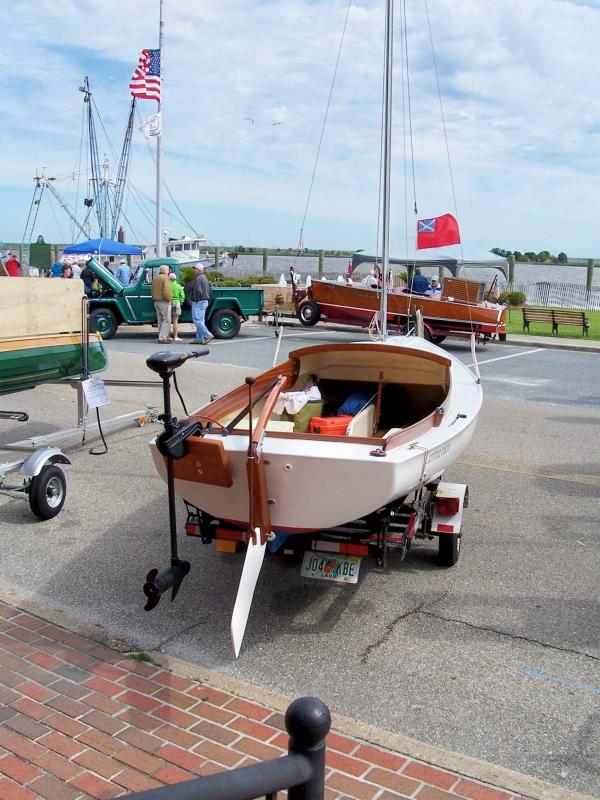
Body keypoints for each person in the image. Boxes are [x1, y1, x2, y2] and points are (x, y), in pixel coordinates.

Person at [187, 264, 213, 345]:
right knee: (201, 320)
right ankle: (199, 338)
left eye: (195, 269)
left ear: (198, 269)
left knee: (197, 320)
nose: (194, 270)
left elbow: (198, 291)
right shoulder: (204, 277)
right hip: (204, 301)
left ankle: (208, 335)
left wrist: (194, 300)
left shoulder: (198, 278)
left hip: (199, 301)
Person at [151, 265, 173, 343]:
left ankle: (161, 335)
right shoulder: (165, 278)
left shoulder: (155, 278)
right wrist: (169, 299)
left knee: (160, 320)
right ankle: (163, 337)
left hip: (156, 301)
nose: (168, 272)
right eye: (167, 270)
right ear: (164, 270)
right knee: (166, 320)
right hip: (164, 301)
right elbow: (166, 290)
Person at [169, 272, 185, 341]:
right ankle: (175, 336)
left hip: (168, 302)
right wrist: (181, 302)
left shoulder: (167, 285)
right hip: (176, 303)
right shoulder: (178, 286)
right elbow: (182, 296)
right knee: (175, 321)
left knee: (168, 321)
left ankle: (167, 336)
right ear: (175, 279)